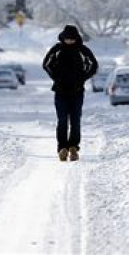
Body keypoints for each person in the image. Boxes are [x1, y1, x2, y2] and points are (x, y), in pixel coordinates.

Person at [43, 25, 98, 162]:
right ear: (63, 37)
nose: (69, 41)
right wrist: (55, 77)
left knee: (75, 121)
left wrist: (83, 78)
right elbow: (46, 64)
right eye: (67, 39)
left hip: (77, 91)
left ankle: (73, 147)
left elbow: (94, 65)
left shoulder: (82, 50)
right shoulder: (57, 49)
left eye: (72, 39)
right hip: (60, 91)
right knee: (62, 121)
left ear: (76, 38)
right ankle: (62, 148)